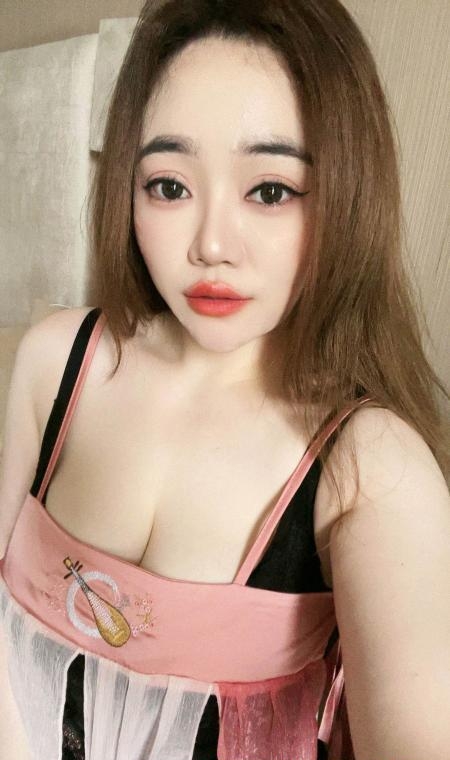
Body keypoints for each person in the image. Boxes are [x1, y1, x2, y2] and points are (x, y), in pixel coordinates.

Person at [0, 1, 449, 759]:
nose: (211, 244)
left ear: (347, 197)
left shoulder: (371, 468)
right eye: (169, 186)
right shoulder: (55, 360)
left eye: (269, 190)